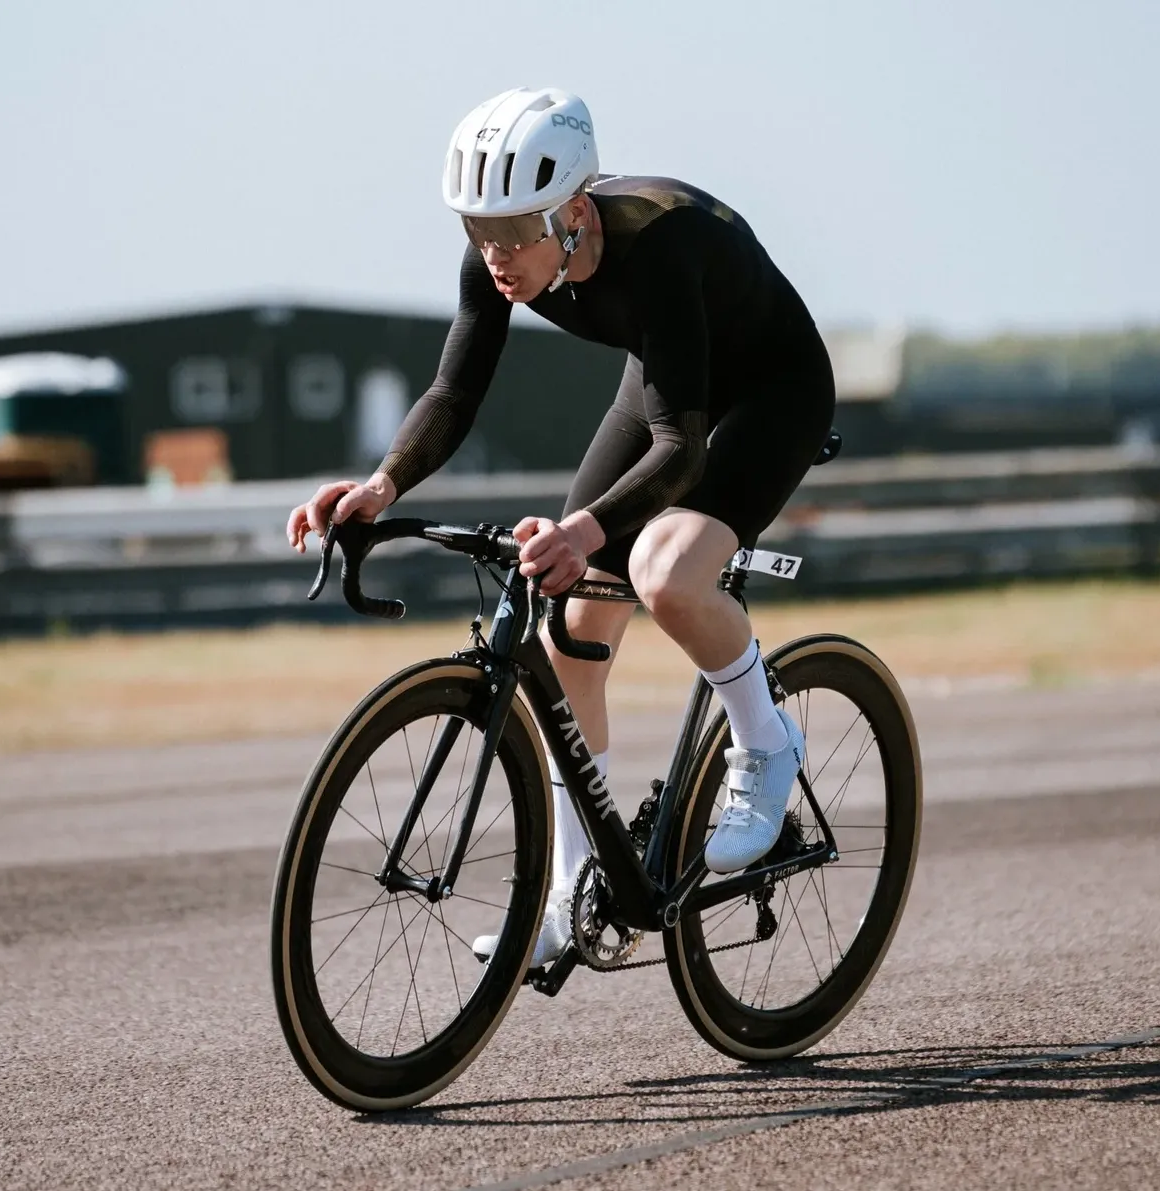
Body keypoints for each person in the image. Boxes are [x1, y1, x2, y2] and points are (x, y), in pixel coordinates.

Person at [286, 87, 835, 966]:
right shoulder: (498, 255)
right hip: (666, 381)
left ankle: (766, 743)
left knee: (664, 570)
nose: (496, 255)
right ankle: (576, 893)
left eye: (515, 232)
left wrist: (583, 531)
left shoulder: (660, 250)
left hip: (771, 390)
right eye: (477, 230)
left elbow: (683, 451)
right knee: (573, 630)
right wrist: (381, 485)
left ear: (575, 213)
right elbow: (454, 391)